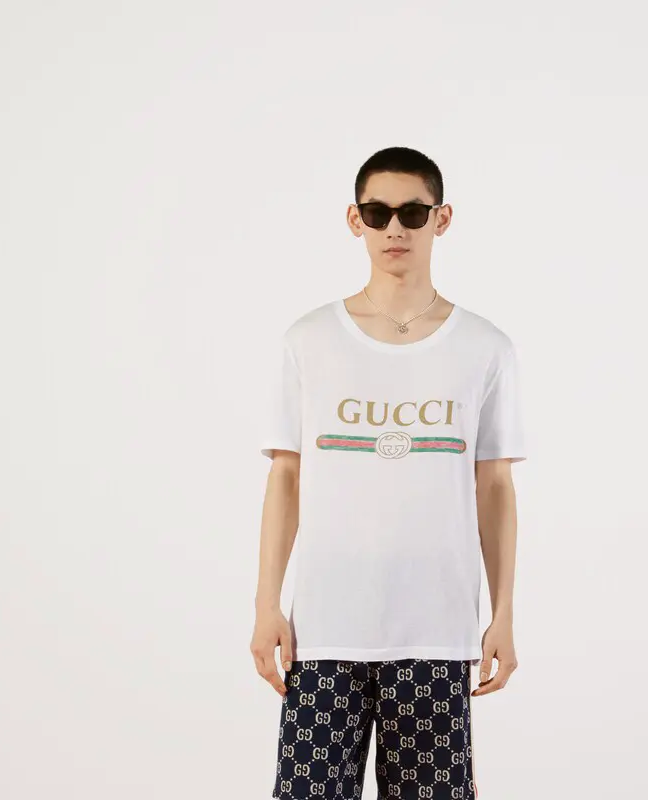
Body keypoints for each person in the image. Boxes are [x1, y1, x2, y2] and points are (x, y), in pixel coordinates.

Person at [251, 146, 527, 800]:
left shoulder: (484, 347)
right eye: (377, 213)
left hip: (436, 632)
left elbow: (494, 487)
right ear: (356, 220)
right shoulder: (309, 340)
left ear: (442, 218)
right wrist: (267, 605)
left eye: (412, 212)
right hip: (324, 633)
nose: (394, 227)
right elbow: (286, 478)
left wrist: (504, 613)